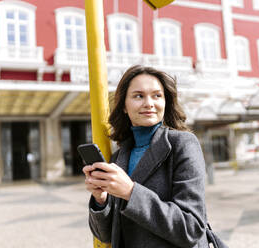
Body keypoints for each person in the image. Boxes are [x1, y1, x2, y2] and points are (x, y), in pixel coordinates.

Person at [83, 65, 208, 248]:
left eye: (157, 95)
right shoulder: (118, 157)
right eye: (138, 96)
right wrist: (101, 200)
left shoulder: (183, 144)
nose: (149, 103)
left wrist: (130, 192)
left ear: (166, 102)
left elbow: (192, 227)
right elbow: (106, 235)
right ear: (124, 106)